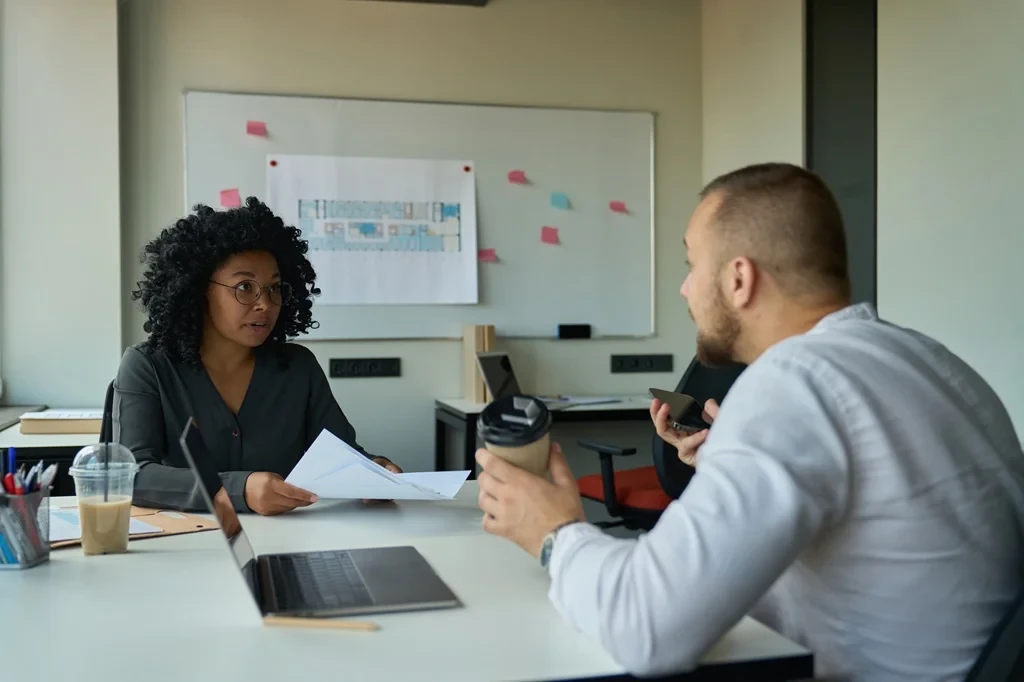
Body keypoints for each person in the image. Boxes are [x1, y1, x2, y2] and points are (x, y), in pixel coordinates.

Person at [475, 163, 1024, 681]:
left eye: (691, 265)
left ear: (739, 278)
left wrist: (554, 534)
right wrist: (721, 456)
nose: (686, 289)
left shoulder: (792, 379)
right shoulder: (926, 358)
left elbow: (646, 629)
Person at [114, 197, 402, 516]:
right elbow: (131, 477)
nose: (265, 304)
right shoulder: (148, 366)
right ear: (198, 290)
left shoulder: (297, 367)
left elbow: (342, 456)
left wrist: (374, 470)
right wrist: (240, 490)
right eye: (245, 287)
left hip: (289, 539)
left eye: (275, 289)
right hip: (186, 546)